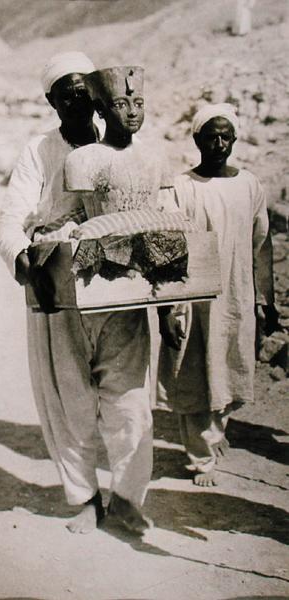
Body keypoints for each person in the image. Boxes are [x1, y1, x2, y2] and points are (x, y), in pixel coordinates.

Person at [0, 57, 173, 535]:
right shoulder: (40, 151)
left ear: (99, 96)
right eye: (65, 92)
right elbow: (12, 216)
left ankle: (128, 500)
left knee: (130, 399)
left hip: (121, 293)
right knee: (68, 398)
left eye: (83, 91)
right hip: (58, 289)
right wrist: (23, 260)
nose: (76, 100)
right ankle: (84, 498)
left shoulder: (125, 147)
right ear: (50, 101)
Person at [157, 103, 278, 486]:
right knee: (194, 370)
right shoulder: (181, 187)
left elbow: (262, 243)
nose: (220, 143)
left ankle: (215, 434)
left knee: (228, 367)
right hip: (194, 295)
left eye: (226, 136)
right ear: (197, 139)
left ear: (236, 139)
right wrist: (166, 308)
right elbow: (166, 246)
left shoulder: (249, 184)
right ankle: (202, 457)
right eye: (212, 136)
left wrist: (266, 299)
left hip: (236, 294)